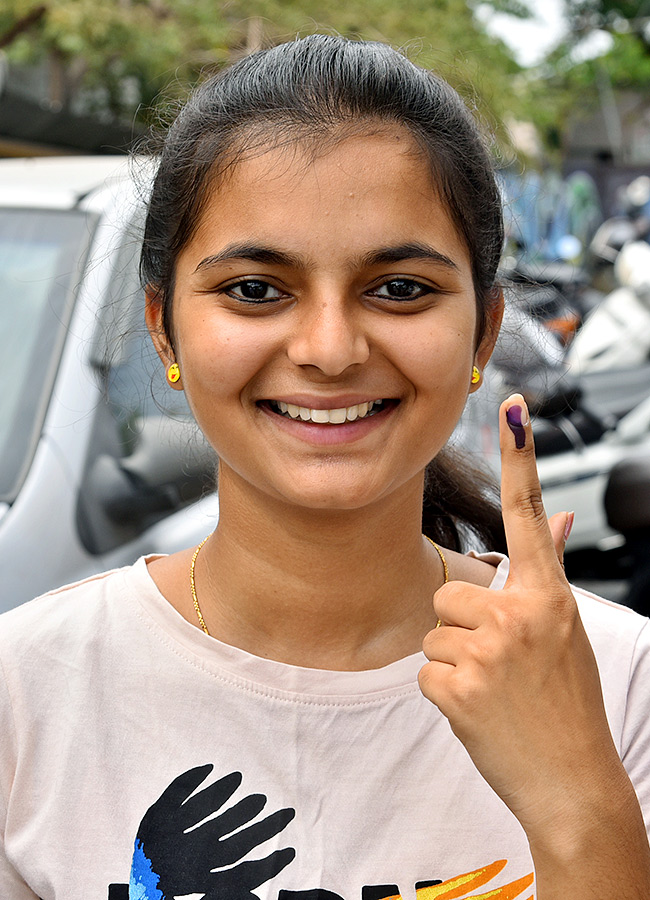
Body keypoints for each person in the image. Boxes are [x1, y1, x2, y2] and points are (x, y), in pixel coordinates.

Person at [1, 35, 649, 900]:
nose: (331, 351)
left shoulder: (621, 683)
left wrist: (577, 805)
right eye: (256, 290)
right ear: (164, 329)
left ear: (484, 332)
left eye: (400, 288)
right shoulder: (26, 693)